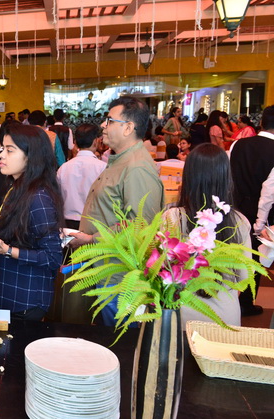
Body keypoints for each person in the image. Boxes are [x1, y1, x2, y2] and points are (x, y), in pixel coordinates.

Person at [70, 97, 164, 326]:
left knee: (121, 338)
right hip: (107, 270)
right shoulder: (121, 160)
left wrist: (91, 239)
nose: (103, 125)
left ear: (128, 128)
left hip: (121, 280)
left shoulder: (137, 167)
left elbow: (140, 226)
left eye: (110, 121)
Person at [0, 123, 63, 320]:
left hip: (26, 299)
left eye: (10, 150)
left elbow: (52, 257)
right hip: (7, 291)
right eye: (2, 148)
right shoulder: (16, 188)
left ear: (31, 156)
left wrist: (7, 250)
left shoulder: (38, 197)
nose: (1, 155)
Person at [163, 143, 249, 329]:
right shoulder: (239, 221)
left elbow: (160, 269)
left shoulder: (173, 218)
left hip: (181, 315)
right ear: (227, 178)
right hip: (225, 317)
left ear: (188, 177)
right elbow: (244, 277)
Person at [229, 105, 274, 317]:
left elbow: (228, 177)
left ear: (261, 123)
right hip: (262, 214)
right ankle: (246, 302)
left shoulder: (238, 144)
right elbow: (268, 194)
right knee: (256, 257)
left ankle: (226, 300)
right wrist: (260, 223)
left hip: (235, 209)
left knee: (230, 254)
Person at [56, 124, 106, 229]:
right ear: (95, 141)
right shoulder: (102, 167)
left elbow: (58, 196)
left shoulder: (63, 168)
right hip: (93, 223)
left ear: (75, 142)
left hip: (68, 223)